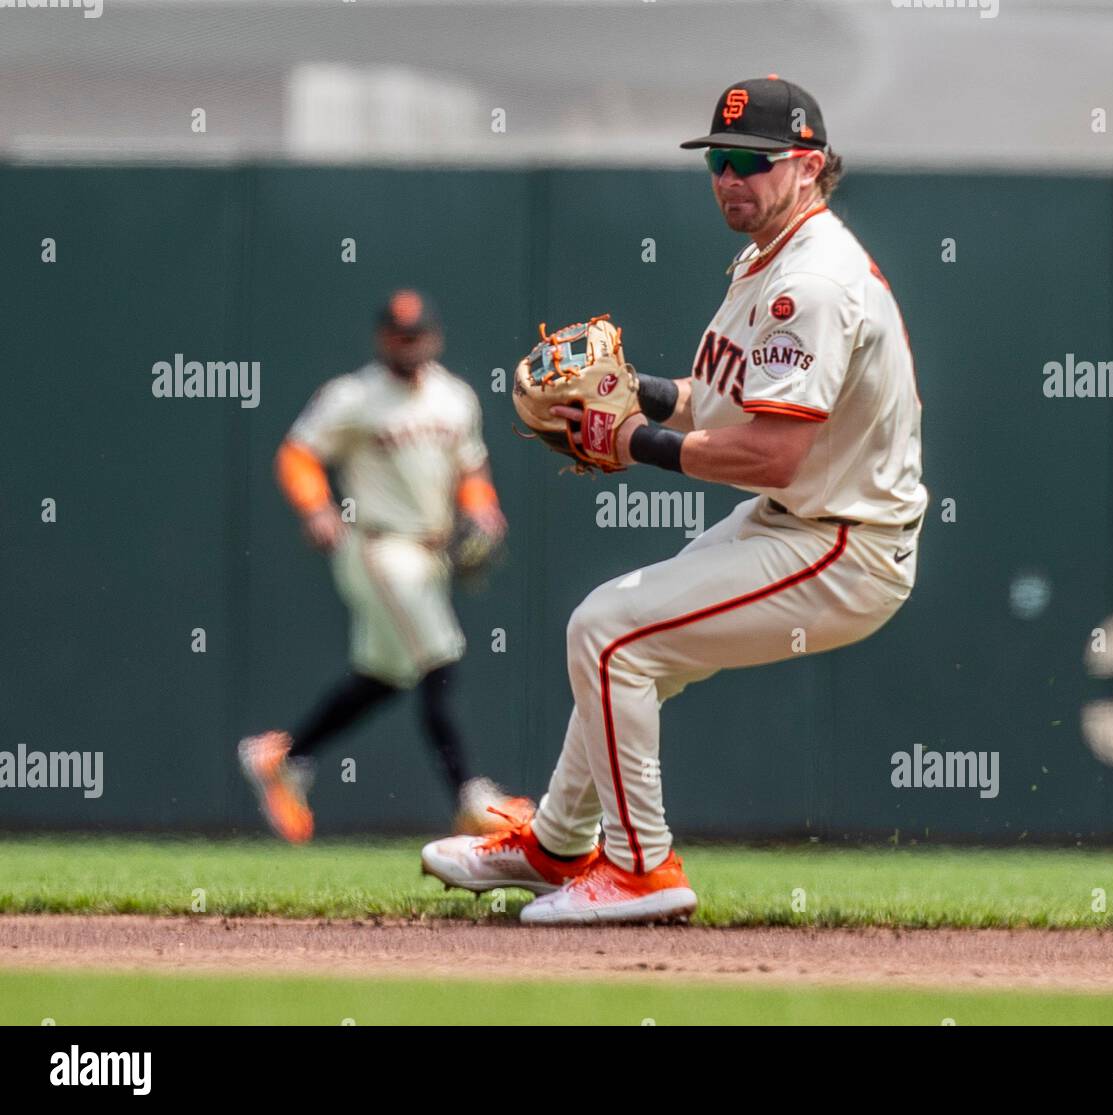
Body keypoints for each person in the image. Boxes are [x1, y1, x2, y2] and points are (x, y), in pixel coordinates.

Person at [422, 76, 927, 925]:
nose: (730, 177)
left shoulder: (814, 282)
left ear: (807, 167)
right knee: (624, 649)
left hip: (846, 543)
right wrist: (641, 393)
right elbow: (729, 402)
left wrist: (629, 441)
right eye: (718, 161)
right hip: (803, 520)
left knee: (609, 630)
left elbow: (772, 453)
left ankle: (643, 871)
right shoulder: (772, 253)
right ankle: (558, 843)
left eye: (750, 162)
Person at [239, 290, 529, 843]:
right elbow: (298, 453)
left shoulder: (455, 398)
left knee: (386, 676)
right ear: (382, 339)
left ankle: (284, 758)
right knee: (441, 658)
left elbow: (471, 470)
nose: (408, 343)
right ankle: (471, 798)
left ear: (435, 337)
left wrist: (483, 509)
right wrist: (316, 507)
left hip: (432, 552)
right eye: (398, 334)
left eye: (417, 333)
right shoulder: (353, 396)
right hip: (376, 545)